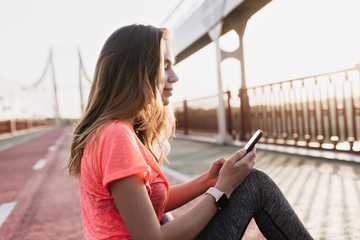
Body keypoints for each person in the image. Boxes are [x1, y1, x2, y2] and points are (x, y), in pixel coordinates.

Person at [67, 24, 313, 240]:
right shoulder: (116, 136)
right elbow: (152, 238)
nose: (174, 76)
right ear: (136, 70)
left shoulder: (112, 131)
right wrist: (222, 189)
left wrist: (208, 181)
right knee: (255, 185)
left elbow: (151, 205)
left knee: (169, 216)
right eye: (165, 66)